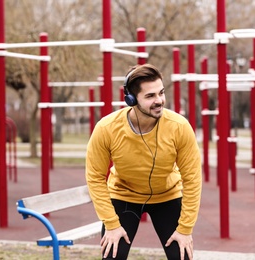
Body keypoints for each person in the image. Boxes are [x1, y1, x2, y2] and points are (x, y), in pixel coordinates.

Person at [85, 63, 202, 260]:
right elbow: (95, 178)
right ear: (131, 99)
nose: (159, 101)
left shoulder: (179, 127)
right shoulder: (106, 128)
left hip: (167, 195)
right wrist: (112, 225)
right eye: (150, 96)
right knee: (113, 254)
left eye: (161, 93)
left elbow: (192, 179)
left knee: (181, 256)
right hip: (124, 195)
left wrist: (185, 229)